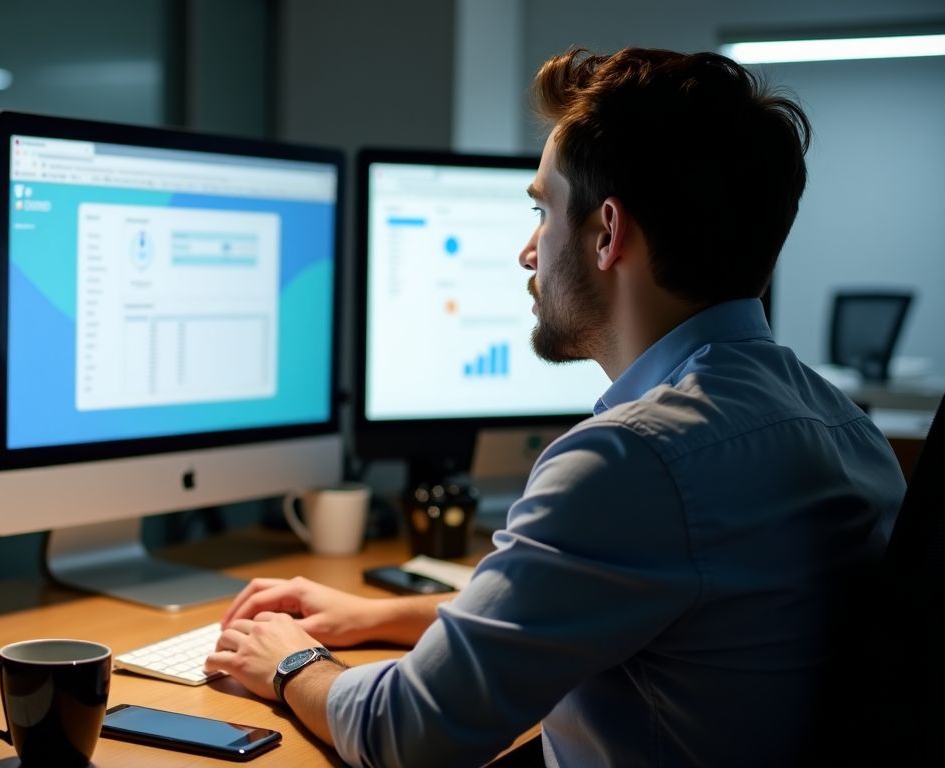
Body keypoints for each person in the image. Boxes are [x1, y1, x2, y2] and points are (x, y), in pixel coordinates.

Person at [204, 47, 906, 767]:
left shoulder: (634, 459)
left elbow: (408, 732)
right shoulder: (846, 426)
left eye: (542, 211)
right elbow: (624, 604)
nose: (527, 251)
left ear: (607, 233)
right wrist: (383, 616)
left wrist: (292, 662)